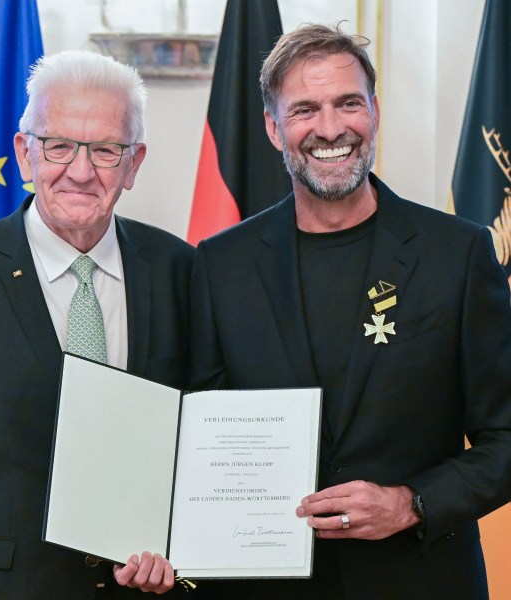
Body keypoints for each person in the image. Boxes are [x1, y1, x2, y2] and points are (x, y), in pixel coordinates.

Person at [189, 23, 511, 599]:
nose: (331, 128)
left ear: (375, 112)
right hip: (265, 584)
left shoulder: (456, 255)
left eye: (348, 103)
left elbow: (506, 436)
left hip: (420, 580)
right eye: (305, 109)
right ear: (273, 127)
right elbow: (197, 435)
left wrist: (412, 504)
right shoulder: (219, 266)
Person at [0, 50, 193, 599]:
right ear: (24, 154)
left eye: (106, 150)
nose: (80, 172)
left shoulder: (181, 272)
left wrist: (179, 550)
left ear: (134, 163)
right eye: (59, 146)